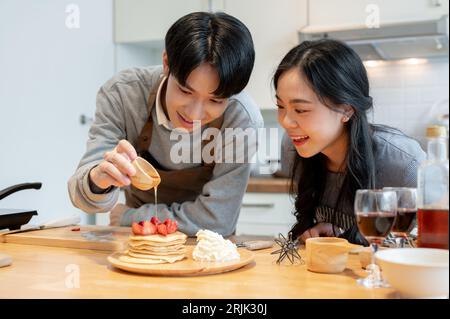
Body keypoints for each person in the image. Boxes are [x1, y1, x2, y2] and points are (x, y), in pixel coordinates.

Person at [68, 12, 263, 237]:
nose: (195, 114)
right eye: (185, 91)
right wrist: (97, 181)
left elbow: (218, 220)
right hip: (138, 242)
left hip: (206, 249)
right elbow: (79, 195)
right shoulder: (123, 94)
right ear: (166, 63)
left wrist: (130, 216)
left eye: (215, 100)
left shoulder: (241, 119)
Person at [275, 39, 426, 245]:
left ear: (346, 109)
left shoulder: (403, 164)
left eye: (300, 110)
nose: (286, 121)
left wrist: (354, 238)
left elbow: (434, 243)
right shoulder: (294, 148)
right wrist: (339, 234)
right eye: (280, 106)